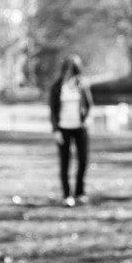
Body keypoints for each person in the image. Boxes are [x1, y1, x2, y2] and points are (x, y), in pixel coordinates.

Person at [48, 55, 93, 207]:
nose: (70, 73)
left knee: (83, 160)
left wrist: (86, 118)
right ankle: (67, 194)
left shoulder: (82, 86)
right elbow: (53, 110)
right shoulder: (57, 86)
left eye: (73, 70)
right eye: (68, 70)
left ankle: (79, 192)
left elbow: (89, 105)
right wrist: (56, 130)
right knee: (65, 162)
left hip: (79, 128)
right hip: (63, 128)